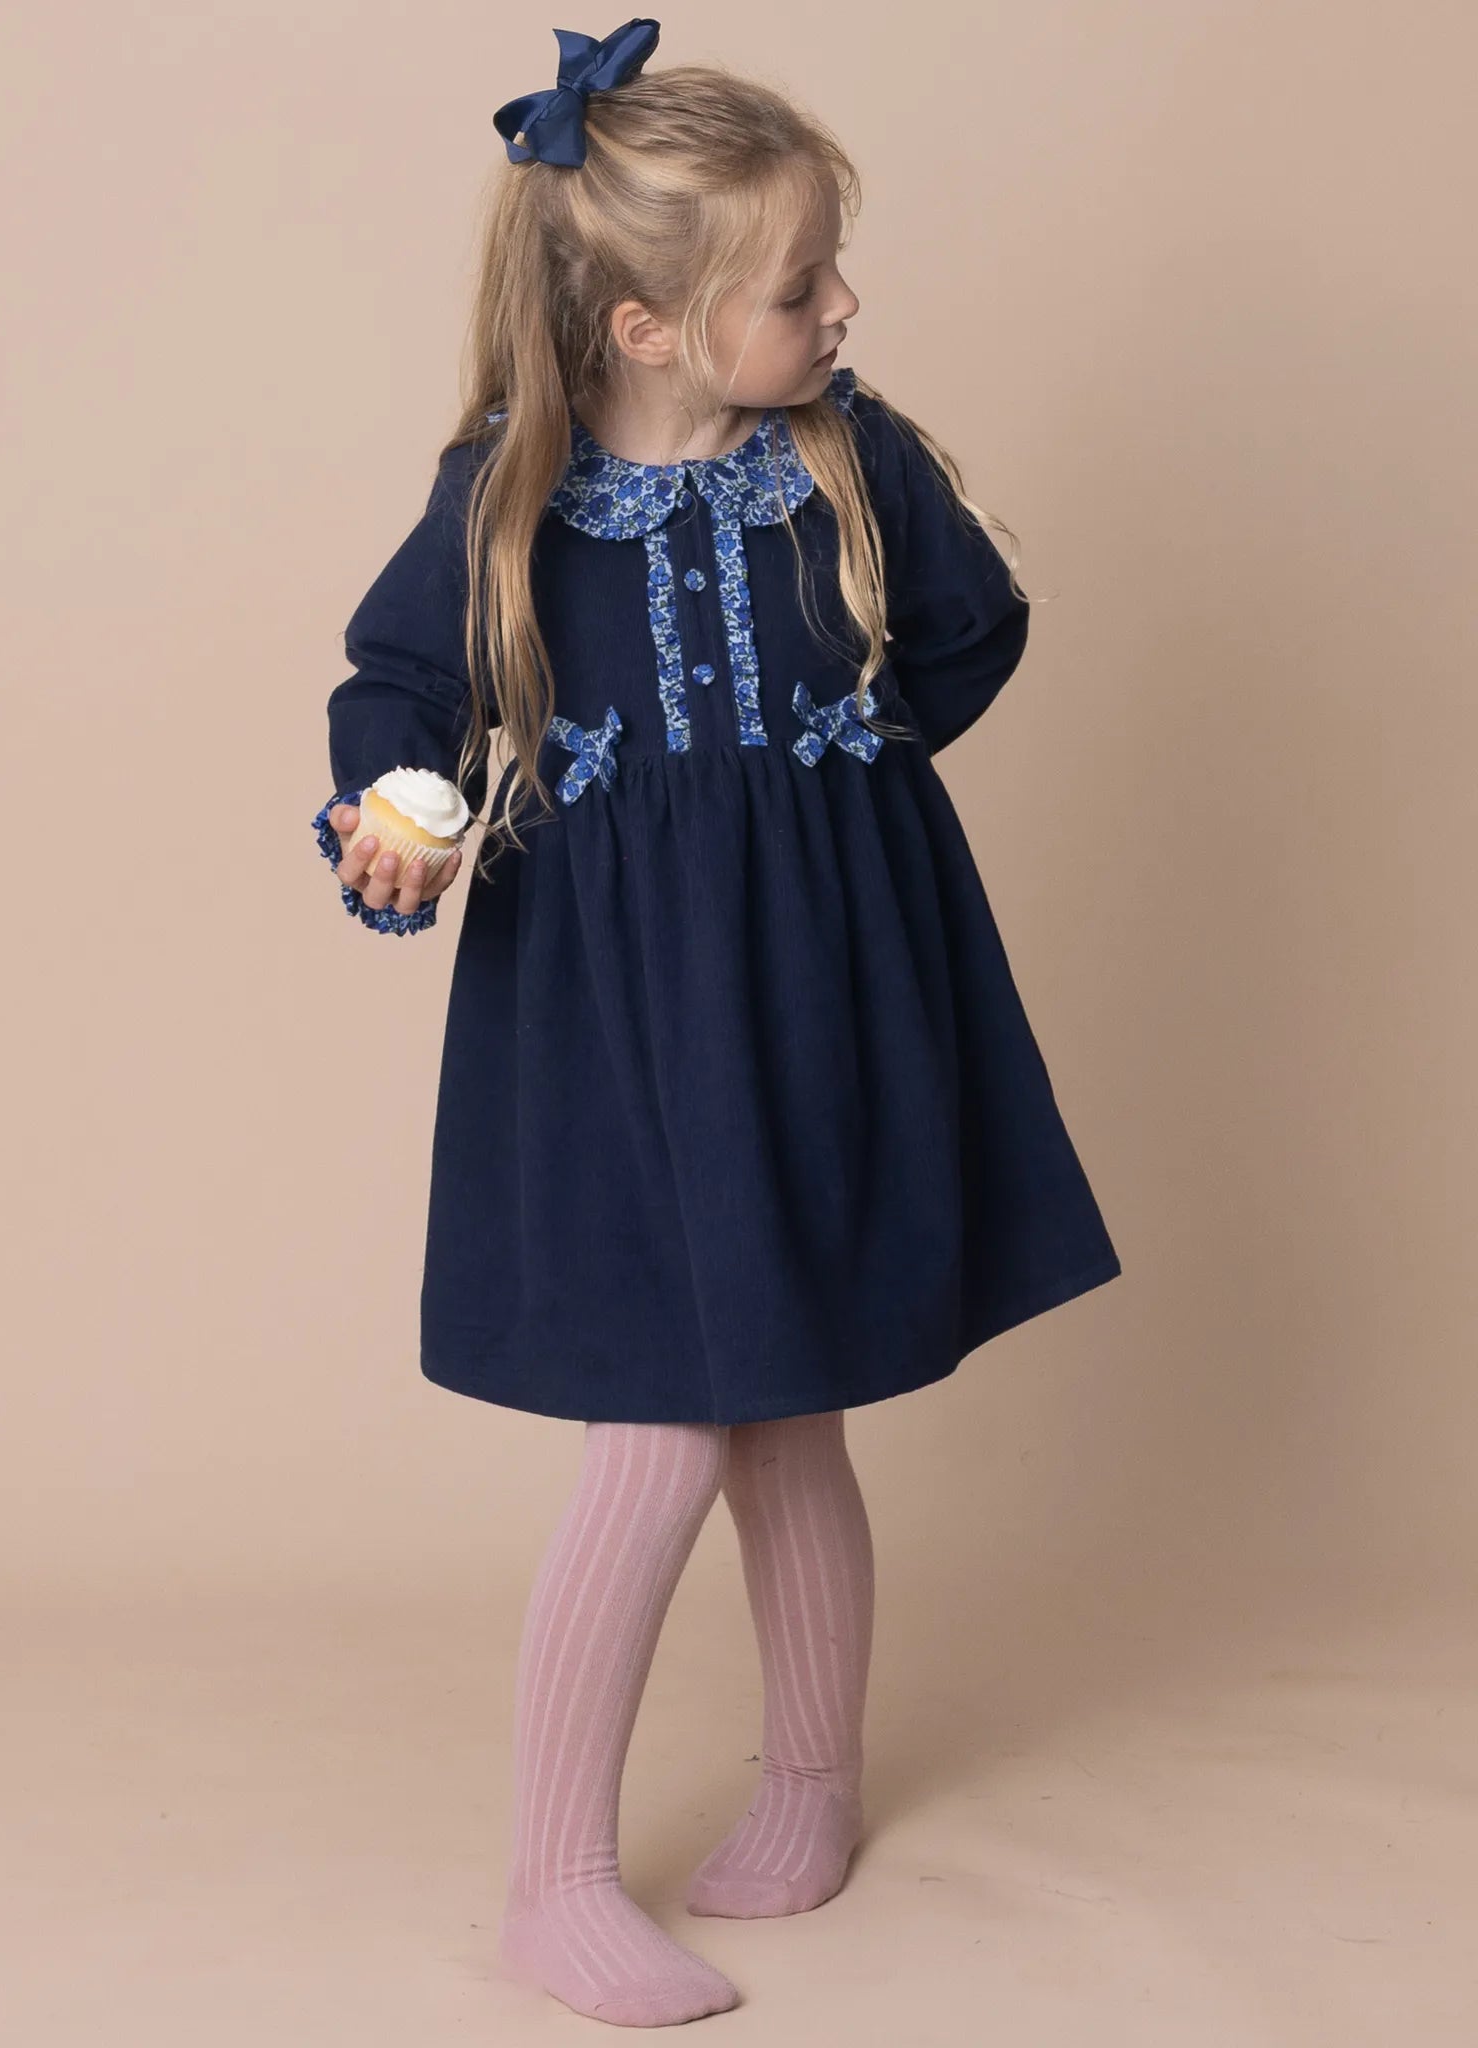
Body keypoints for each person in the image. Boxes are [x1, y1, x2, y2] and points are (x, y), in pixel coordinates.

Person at [309, 17, 1122, 2028]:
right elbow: (400, 686)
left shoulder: (851, 461)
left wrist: (836, 782)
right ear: (652, 324)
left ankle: (813, 1787)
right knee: (661, 1424)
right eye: (796, 286)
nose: (842, 305)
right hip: (615, 1008)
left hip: (825, 977)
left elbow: (969, 630)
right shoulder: (508, 492)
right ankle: (555, 1877)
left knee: (786, 1406)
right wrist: (404, 803)